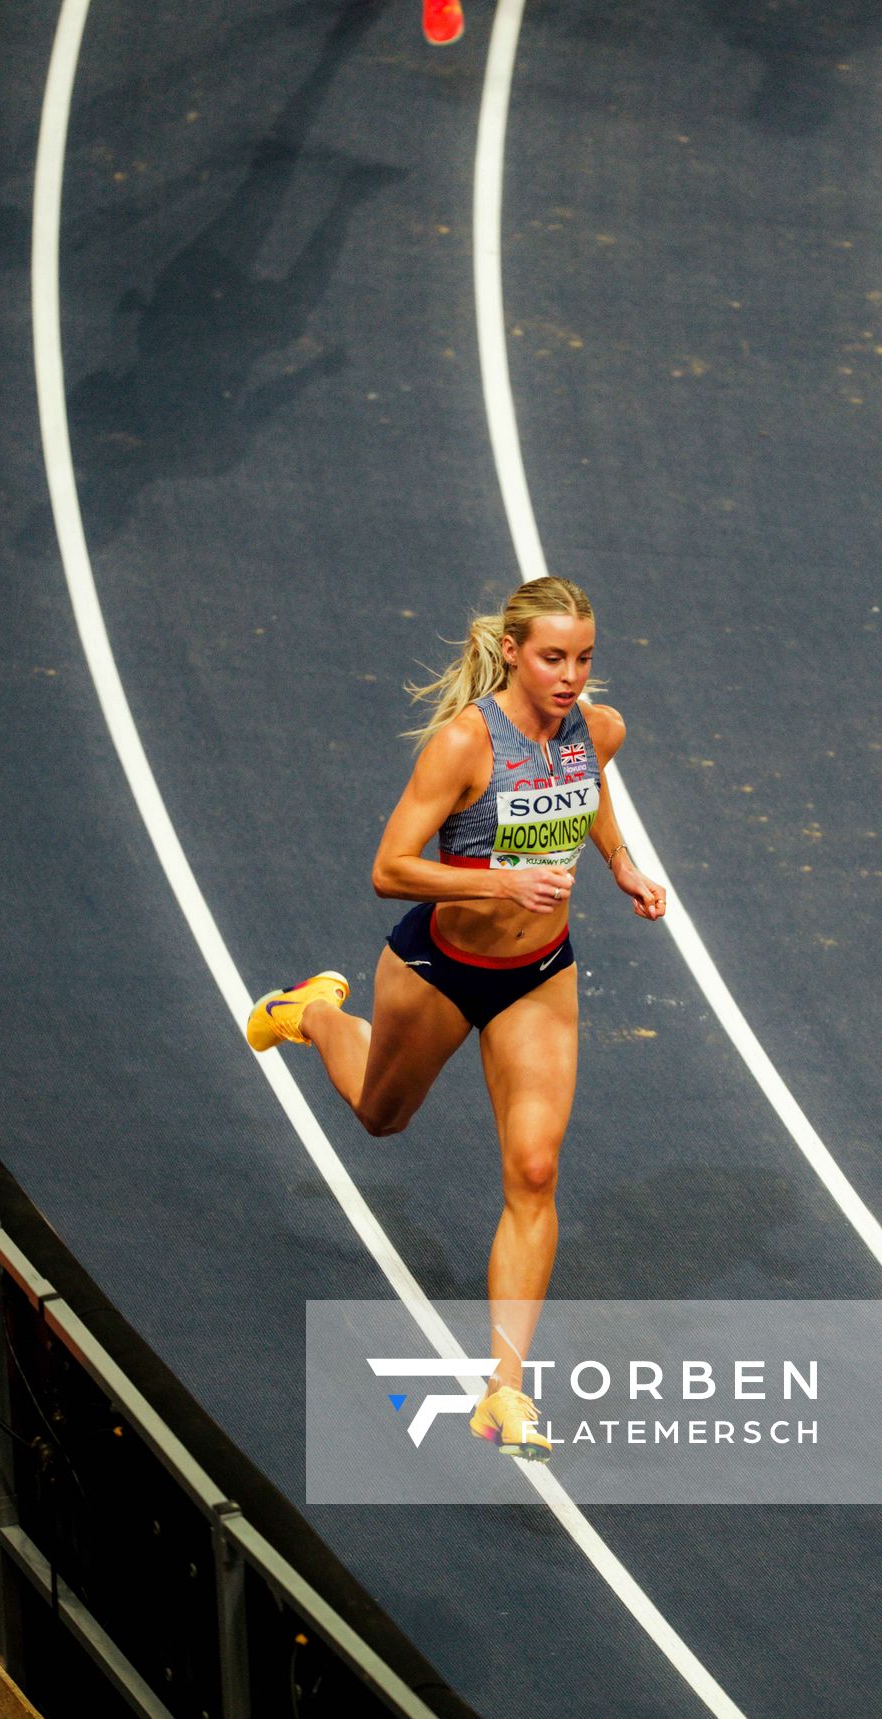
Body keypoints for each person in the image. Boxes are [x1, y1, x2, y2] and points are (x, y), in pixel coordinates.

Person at [246, 577, 665, 1459]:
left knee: (537, 1167)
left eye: (584, 658)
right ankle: (313, 1012)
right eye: (554, 658)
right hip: (438, 967)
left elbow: (590, 790)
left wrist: (622, 863)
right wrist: (500, 880)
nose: (571, 676)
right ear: (512, 651)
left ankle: (503, 1390)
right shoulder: (464, 744)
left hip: (538, 973)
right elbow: (390, 867)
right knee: (379, 1115)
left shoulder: (601, 728)